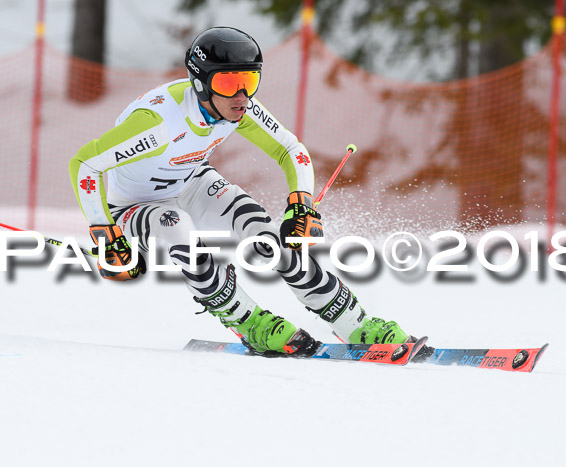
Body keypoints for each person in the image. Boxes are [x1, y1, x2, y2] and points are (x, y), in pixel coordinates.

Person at [69, 27, 418, 356]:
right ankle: (249, 323)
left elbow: (290, 150)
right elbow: (85, 164)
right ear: (201, 83)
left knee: (271, 237)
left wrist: (301, 203)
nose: (241, 95)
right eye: (228, 81)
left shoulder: (236, 107)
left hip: (191, 180)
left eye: (249, 80)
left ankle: (355, 324)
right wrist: (105, 232)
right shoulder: (158, 124)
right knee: (178, 231)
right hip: (132, 205)